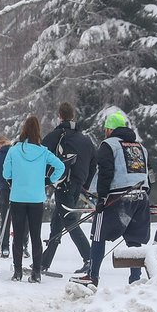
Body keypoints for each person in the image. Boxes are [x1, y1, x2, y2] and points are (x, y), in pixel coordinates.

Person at [73, 110, 150, 288]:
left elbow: (105, 173)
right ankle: (135, 279)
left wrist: (101, 199)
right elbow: (147, 173)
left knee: (98, 234)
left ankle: (92, 275)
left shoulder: (108, 145)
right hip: (141, 195)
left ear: (109, 130)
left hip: (118, 197)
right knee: (134, 239)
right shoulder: (140, 147)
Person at [2, 116, 64, 282]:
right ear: (38, 131)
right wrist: (49, 180)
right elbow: (60, 166)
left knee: (18, 235)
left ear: (24, 130)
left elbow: (5, 173)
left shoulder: (14, 150)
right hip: (36, 198)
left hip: (17, 197)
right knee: (36, 235)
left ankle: (17, 272)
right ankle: (36, 272)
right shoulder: (43, 151)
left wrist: (13, 179)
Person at [41, 102, 97, 275]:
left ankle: (89, 258)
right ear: (73, 116)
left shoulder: (55, 136)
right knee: (57, 223)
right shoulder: (85, 140)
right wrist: (84, 184)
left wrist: (45, 180)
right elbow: (94, 163)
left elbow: (42, 156)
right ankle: (44, 263)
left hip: (63, 184)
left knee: (69, 221)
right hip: (78, 184)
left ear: (59, 115)